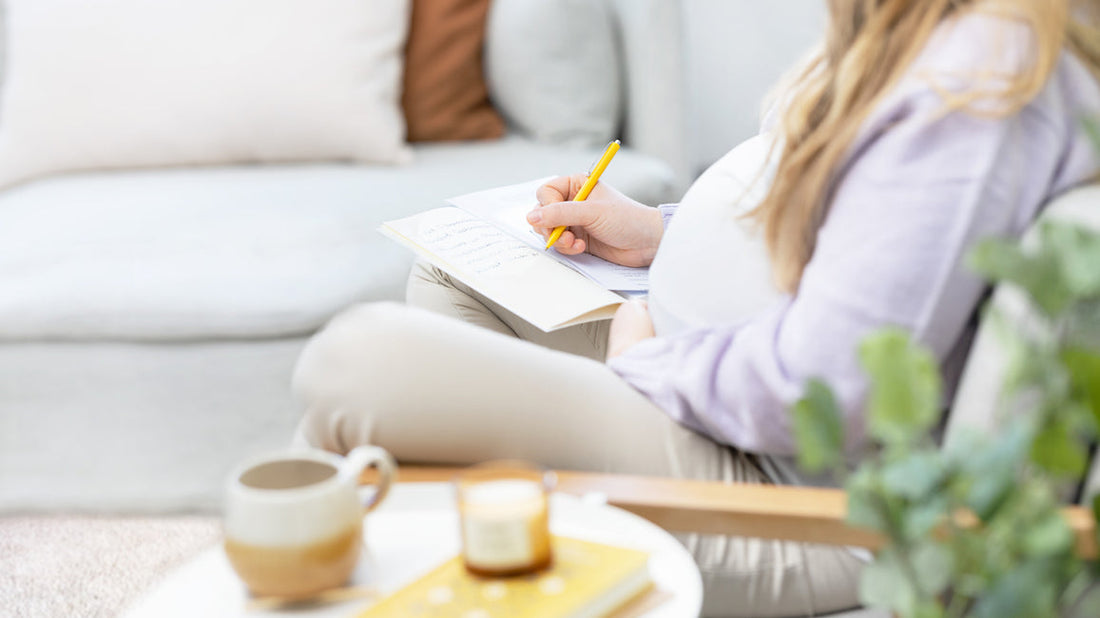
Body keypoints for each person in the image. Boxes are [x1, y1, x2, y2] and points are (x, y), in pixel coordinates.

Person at [291, 1, 1100, 615]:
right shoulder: (925, 31)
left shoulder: (979, 76)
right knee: (453, 278)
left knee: (355, 364)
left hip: (789, 490)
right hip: (718, 384)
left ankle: (320, 565)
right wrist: (658, 238)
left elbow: (826, 389)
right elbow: (867, 253)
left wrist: (643, 362)